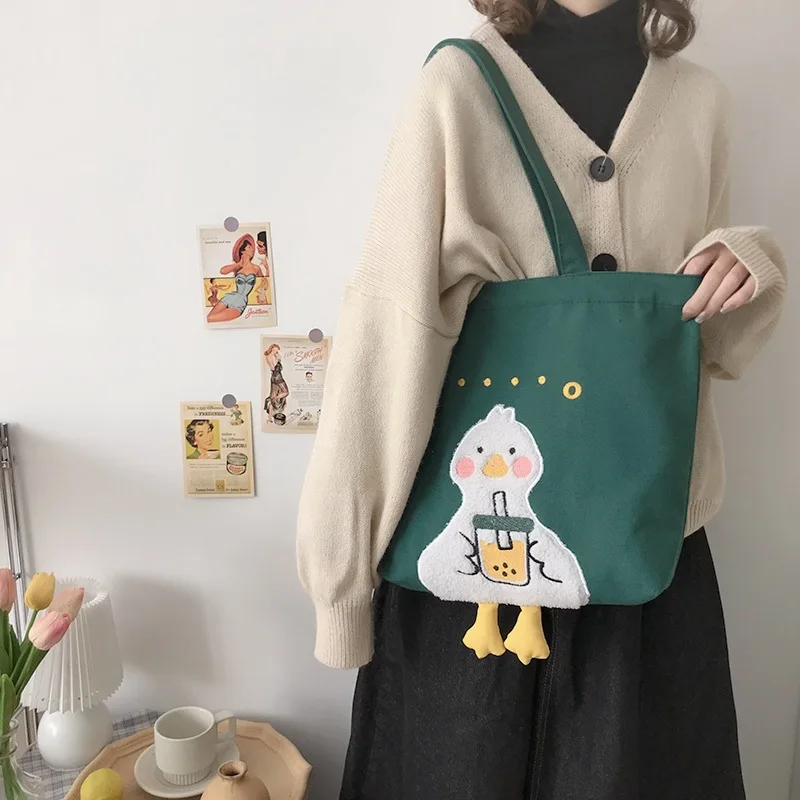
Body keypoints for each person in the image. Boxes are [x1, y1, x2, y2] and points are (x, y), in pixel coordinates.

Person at [297, 1, 788, 798]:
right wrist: (341, 584)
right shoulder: (457, 88)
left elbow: (710, 351)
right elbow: (389, 337)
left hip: (649, 560)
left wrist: (747, 263)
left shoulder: (702, 106)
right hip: (466, 576)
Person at [207, 234, 261, 323]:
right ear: (242, 251)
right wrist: (238, 264)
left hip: (240, 302)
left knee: (211, 319)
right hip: (229, 297)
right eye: (249, 247)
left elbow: (264, 282)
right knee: (208, 318)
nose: (252, 250)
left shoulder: (256, 268)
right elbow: (222, 271)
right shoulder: (237, 267)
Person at [264, 344, 289, 425]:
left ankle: (269, 419)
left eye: (277, 351)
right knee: (286, 392)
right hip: (277, 377)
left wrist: (278, 358)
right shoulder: (271, 356)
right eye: (275, 350)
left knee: (273, 399)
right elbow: (274, 367)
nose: (276, 352)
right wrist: (278, 359)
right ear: (271, 349)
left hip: (274, 377)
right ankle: (276, 398)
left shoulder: (269, 356)